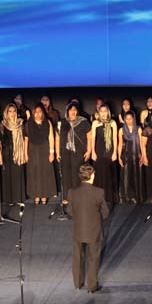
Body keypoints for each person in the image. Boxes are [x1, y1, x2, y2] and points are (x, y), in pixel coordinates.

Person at [67, 164, 109, 293]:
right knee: (93, 258)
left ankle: (77, 284)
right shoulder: (99, 192)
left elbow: (69, 211)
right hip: (94, 231)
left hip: (79, 230)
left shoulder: (72, 192)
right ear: (91, 176)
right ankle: (92, 286)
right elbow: (105, 213)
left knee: (77, 257)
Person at [57, 102, 91, 206]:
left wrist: (89, 150)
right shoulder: (62, 122)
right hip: (65, 151)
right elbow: (57, 138)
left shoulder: (83, 122)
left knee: (77, 175)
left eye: (75, 110)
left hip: (79, 151)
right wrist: (57, 152)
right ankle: (67, 197)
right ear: (67, 111)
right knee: (66, 175)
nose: (73, 112)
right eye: (71, 110)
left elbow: (90, 136)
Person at [26, 104, 56, 204]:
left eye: (40, 112)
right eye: (36, 112)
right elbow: (26, 139)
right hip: (33, 149)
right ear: (33, 113)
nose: (38, 114)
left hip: (45, 149)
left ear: (43, 113)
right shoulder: (29, 123)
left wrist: (52, 152)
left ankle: (44, 195)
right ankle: (36, 195)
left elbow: (51, 137)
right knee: (34, 172)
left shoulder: (48, 122)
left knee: (45, 172)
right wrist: (25, 153)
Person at [0, 103, 28, 208]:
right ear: (6, 113)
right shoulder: (3, 124)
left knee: (18, 175)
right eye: (10, 111)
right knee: (8, 176)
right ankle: (10, 199)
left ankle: (18, 198)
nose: (12, 113)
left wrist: (24, 153)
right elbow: (0, 142)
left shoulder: (20, 123)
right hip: (6, 153)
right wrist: (0, 156)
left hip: (18, 153)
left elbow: (25, 139)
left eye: (14, 111)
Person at [91, 104, 118, 205]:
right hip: (98, 151)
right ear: (99, 113)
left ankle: (109, 199)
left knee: (109, 175)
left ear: (108, 112)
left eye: (105, 111)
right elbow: (93, 139)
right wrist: (93, 152)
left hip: (109, 152)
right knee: (99, 175)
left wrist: (115, 152)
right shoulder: (95, 123)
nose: (103, 113)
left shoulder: (113, 123)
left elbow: (115, 139)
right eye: (101, 111)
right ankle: (98, 199)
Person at [117, 110, 143, 204]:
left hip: (136, 155)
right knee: (126, 176)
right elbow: (120, 144)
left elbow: (142, 143)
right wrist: (119, 157)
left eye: (130, 119)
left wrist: (143, 155)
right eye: (127, 119)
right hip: (126, 156)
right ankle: (127, 197)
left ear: (133, 119)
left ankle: (137, 196)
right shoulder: (121, 130)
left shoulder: (138, 129)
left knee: (136, 175)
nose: (128, 121)